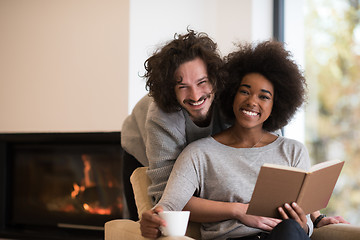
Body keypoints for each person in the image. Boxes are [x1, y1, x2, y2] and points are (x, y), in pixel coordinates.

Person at [140, 41, 346, 240]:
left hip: (285, 236)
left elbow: (305, 224)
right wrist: (154, 218)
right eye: (245, 91)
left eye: (264, 97)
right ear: (230, 93)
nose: (252, 101)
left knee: (290, 229)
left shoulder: (293, 151)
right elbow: (168, 205)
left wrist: (307, 223)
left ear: (277, 104)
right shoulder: (197, 153)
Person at [121, 29, 230, 220]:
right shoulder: (161, 117)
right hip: (139, 147)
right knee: (145, 221)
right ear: (171, 90)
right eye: (183, 87)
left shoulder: (231, 101)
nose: (195, 96)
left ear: (214, 78)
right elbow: (165, 196)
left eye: (202, 82)